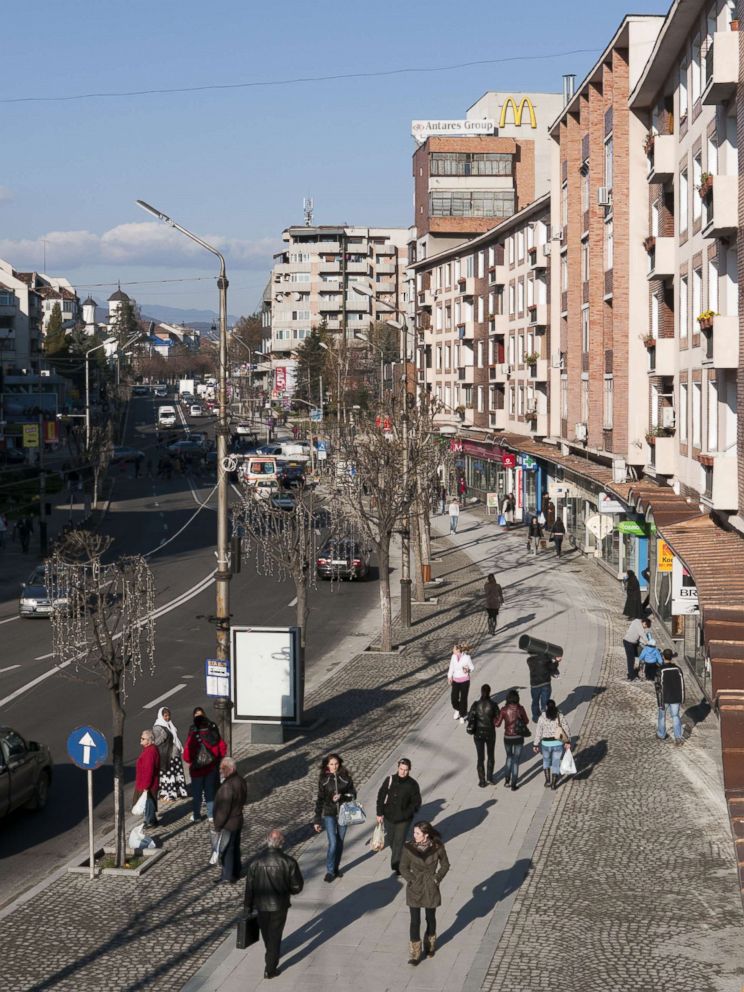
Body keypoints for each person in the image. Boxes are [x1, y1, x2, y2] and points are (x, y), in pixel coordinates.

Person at [244, 828, 304, 980]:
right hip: (280, 905)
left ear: (267, 841)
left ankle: (271, 954)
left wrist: (247, 907)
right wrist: (287, 891)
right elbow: (297, 887)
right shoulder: (289, 862)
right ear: (281, 844)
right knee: (275, 935)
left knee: (267, 934)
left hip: (261, 905)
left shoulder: (256, 862)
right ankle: (270, 969)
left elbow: (249, 887)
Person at [399, 821, 450, 966]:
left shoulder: (437, 847)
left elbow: (445, 865)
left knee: (430, 918)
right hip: (415, 887)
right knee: (415, 921)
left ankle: (430, 944)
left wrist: (436, 878)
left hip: (430, 886)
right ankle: (415, 953)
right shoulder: (409, 848)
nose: (414, 836)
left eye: (417, 833)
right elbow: (403, 867)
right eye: (414, 833)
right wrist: (411, 880)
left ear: (426, 835)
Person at [313, 753, 357, 883]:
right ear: (327, 765)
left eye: (336, 763)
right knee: (332, 843)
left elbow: (353, 795)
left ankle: (336, 868)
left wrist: (342, 797)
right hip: (330, 814)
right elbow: (320, 800)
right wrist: (317, 819)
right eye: (331, 764)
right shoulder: (323, 780)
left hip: (343, 813)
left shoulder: (346, 778)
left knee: (340, 842)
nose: (334, 766)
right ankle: (330, 870)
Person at [376, 758, 422, 876]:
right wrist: (379, 813)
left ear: (409, 770)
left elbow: (416, 802)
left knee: (399, 841)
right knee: (391, 840)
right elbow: (381, 796)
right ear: (398, 768)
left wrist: (407, 813)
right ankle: (401, 859)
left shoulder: (412, 784)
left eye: (406, 770)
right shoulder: (390, 780)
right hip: (389, 817)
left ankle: (397, 866)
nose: (403, 772)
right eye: (401, 769)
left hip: (404, 819)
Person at [182, 707, 227, 822]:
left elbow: (186, 755)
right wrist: (217, 758)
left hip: (197, 770)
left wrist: (191, 761)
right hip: (211, 768)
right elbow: (222, 747)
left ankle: (197, 815)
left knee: (197, 794)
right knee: (209, 791)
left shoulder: (193, 736)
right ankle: (211, 814)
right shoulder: (212, 733)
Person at [212, 756, 248, 884]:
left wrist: (217, 826)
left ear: (231, 769)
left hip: (229, 823)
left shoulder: (227, 786)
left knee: (227, 849)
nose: (220, 770)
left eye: (223, 768)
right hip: (237, 819)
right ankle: (236, 871)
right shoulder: (240, 780)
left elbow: (223, 810)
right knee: (235, 847)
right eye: (220, 768)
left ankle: (227, 876)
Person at [495, 689, 530, 790]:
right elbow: (526, 721)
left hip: (508, 737)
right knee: (516, 760)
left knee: (509, 757)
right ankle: (514, 784)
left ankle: (506, 780)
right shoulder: (520, 709)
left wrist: (493, 719)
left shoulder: (504, 709)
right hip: (518, 737)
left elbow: (497, 724)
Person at [533, 699, 571, 790]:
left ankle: (547, 781)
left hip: (546, 744)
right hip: (557, 743)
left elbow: (538, 731)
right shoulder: (559, 716)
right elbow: (566, 729)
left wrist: (535, 744)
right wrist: (568, 742)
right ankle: (554, 784)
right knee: (556, 763)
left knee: (546, 761)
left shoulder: (542, 718)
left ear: (546, 707)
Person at [152, 706, 188, 802]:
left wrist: (179, 748)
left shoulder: (170, 724)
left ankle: (179, 792)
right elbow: (156, 742)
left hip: (174, 754)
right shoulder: (157, 727)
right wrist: (163, 736)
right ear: (161, 716)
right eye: (165, 716)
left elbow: (175, 738)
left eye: (168, 715)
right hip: (166, 755)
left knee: (177, 773)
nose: (167, 717)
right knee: (168, 775)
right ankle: (168, 794)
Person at [467, 684, 499, 787]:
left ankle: (482, 780)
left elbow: (469, 717)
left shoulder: (476, 704)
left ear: (481, 692)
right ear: (489, 692)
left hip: (478, 734)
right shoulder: (493, 704)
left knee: (480, 758)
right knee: (491, 756)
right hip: (490, 733)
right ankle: (490, 777)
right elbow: (498, 718)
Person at [655, 649, 685, 745]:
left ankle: (661, 734)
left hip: (664, 698)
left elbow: (658, 687)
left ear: (663, 657)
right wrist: (682, 698)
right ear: (672, 657)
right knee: (675, 716)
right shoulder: (678, 669)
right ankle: (678, 737)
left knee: (661, 717)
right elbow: (682, 685)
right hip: (676, 697)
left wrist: (659, 701)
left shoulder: (660, 670)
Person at [133, 729, 161, 827]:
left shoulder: (150, 752)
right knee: (150, 802)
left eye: (143, 738)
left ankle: (149, 821)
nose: (140, 739)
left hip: (148, 783)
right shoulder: (150, 749)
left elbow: (149, 770)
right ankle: (152, 820)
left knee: (148, 802)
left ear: (149, 740)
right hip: (148, 782)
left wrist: (146, 786)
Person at [526, 648, 561, 721]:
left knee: (535, 702)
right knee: (544, 703)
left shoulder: (529, 661)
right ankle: (545, 717)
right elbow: (552, 667)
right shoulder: (545, 659)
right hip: (545, 683)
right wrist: (557, 661)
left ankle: (536, 717)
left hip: (534, 685)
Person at [448, 643, 474, 723]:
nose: (453, 650)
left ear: (458, 650)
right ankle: (458, 709)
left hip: (465, 681)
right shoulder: (453, 657)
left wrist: (467, 670)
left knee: (463, 699)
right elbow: (451, 667)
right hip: (456, 680)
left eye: (454, 649)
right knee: (454, 699)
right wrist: (449, 677)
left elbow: (472, 667)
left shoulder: (467, 657)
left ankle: (462, 715)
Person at [622, 616, 652, 682]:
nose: (644, 628)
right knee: (631, 660)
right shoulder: (638, 624)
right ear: (644, 623)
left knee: (633, 658)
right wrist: (648, 642)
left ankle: (631, 673)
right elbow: (642, 634)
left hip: (632, 643)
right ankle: (632, 676)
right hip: (628, 642)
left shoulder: (637, 621)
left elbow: (641, 635)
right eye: (645, 626)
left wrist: (644, 642)